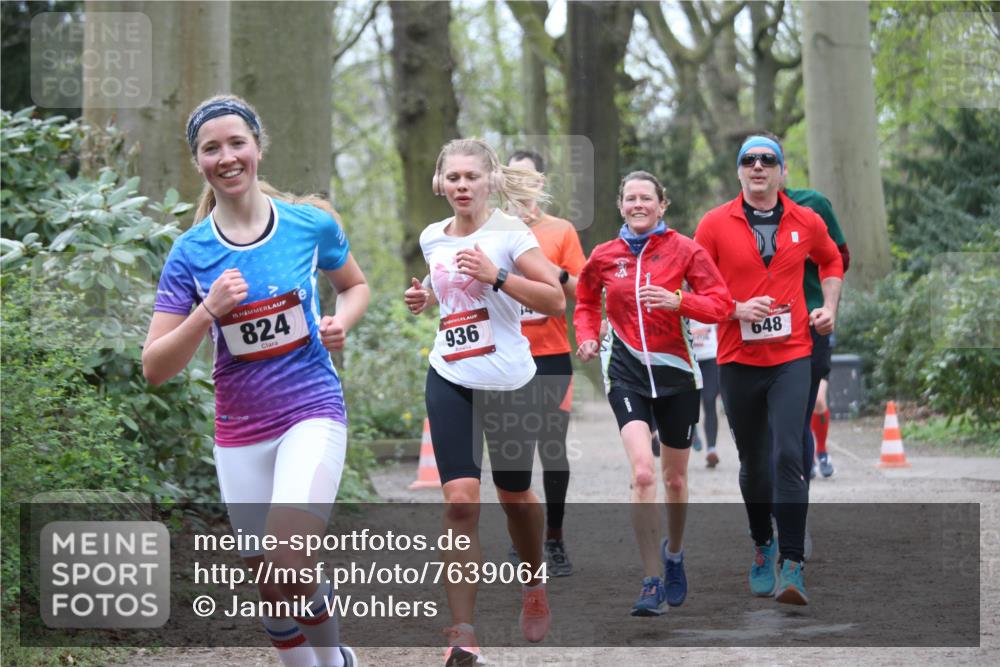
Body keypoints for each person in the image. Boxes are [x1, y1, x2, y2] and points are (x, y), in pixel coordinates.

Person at [142, 95, 369, 667]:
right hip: (240, 432)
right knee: (271, 582)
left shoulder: (309, 226)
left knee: (289, 560)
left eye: (236, 143)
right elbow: (155, 367)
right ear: (198, 161)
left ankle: (334, 662)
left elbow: (354, 285)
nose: (226, 157)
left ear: (258, 148)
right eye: (211, 148)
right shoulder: (190, 253)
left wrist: (340, 321)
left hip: (311, 412)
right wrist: (207, 311)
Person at [403, 138, 565, 665]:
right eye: (453, 177)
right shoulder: (432, 236)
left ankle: (533, 581)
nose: (462, 185)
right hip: (450, 375)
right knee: (459, 501)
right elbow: (448, 290)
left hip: (509, 383)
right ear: (440, 183)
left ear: (490, 180)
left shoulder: (511, 233)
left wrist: (497, 274)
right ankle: (463, 634)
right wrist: (425, 297)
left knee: (514, 496)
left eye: (471, 176)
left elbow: (555, 298)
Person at [694, 134, 843, 606]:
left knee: (788, 455)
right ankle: (763, 544)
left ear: (781, 170)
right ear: (739, 170)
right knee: (755, 463)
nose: (758, 166)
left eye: (767, 160)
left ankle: (793, 564)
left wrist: (829, 308)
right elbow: (694, 288)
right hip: (737, 358)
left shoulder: (806, 219)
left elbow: (832, 259)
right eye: (749, 160)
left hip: (792, 355)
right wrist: (734, 309)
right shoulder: (714, 224)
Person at [574, 171, 732, 617]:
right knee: (643, 473)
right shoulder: (605, 256)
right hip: (625, 375)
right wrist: (587, 336)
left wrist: (679, 301)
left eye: (646, 198)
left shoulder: (686, 250)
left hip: (677, 375)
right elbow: (585, 301)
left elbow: (721, 304)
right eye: (630, 198)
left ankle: (674, 553)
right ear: (621, 206)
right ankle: (650, 581)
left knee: (674, 479)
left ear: (662, 205)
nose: (638, 204)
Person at [504, 148, 587, 577]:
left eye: (526, 178)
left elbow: (583, 290)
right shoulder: (490, 230)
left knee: (552, 449)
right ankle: (522, 536)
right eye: (511, 177)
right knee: (513, 453)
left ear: (540, 183)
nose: (519, 185)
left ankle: (554, 537)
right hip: (504, 357)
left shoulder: (561, 230)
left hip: (551, 355)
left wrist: (551, 271)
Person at [688, 321, 722, 468]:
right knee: (688, 403)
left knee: (709, 401)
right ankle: (692, 431)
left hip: (710, 356)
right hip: (688, 358)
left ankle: (711, 449)